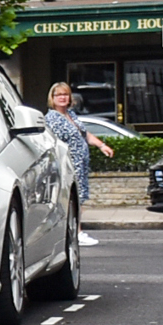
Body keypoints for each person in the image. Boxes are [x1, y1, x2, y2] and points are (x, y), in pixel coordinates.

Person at [43, 82, 112, 246]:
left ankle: (74, 231)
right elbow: (52, 143)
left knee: (79, 198)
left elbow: (84, 134)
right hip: (67, 165)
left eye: (65, 94)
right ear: (52, 98)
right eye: (58, 95)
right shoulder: (52, 118)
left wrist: (102, 145)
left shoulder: (71, 115)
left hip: (79, 165)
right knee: (73, 198)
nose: (62, 98)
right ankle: (77, 232)